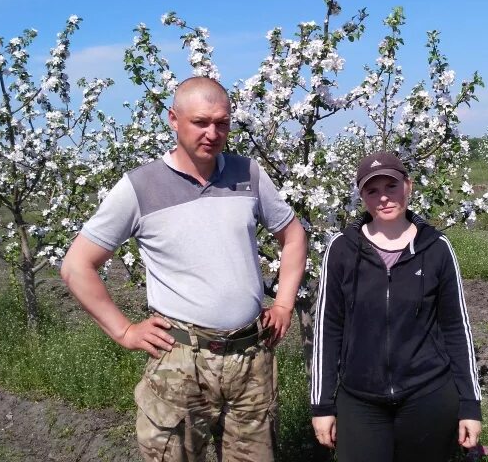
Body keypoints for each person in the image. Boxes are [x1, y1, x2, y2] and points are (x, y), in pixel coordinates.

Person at [60, 76, 307, 462]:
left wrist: (284, 305)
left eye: (222, 123)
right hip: (181, 361)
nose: (213, 133)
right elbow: (77, 265)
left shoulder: (249, 174)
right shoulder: (139, 187)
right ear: (174, 119)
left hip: (250, 358)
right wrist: (124, 330)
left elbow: (293, 236)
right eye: (201, 122)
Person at [310, 150, 483, 461]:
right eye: (372, 190)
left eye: (391, 186)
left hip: (427, 394)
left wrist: (470, 404)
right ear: (361, 195)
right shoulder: (342, 250)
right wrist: (322, 405)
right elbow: (327, 329)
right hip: (360, 398)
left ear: (409, 186)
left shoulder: (436, 249)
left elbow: (457, 328)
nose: (383, 199)